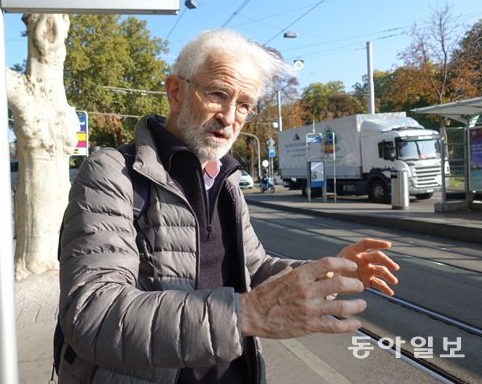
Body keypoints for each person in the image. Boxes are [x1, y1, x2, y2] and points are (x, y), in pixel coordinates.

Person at [57, 29, 400, 383]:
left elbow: (254, 268)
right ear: (175, 91)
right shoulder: (113, 172)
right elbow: (93, 313)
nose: (230, 116)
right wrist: (244, 314)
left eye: (244, 105)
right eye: (218, 94)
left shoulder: (226, 181)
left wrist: (327, 274)